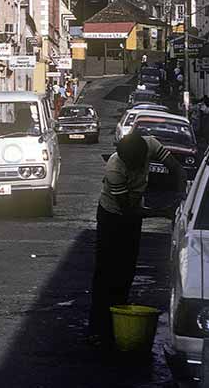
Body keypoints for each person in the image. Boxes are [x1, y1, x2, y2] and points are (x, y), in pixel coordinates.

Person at [88, 134, 153, 347]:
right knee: (105, 272)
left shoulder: (151, 145)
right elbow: (127, 211)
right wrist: (162, 212)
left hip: (131, 217)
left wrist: (181, 192)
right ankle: (98, 328)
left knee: (127, 269)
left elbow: (176, 168)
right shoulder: (115, 169)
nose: (136, 168)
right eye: (132, 165)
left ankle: (119, 314)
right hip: (112, 216)